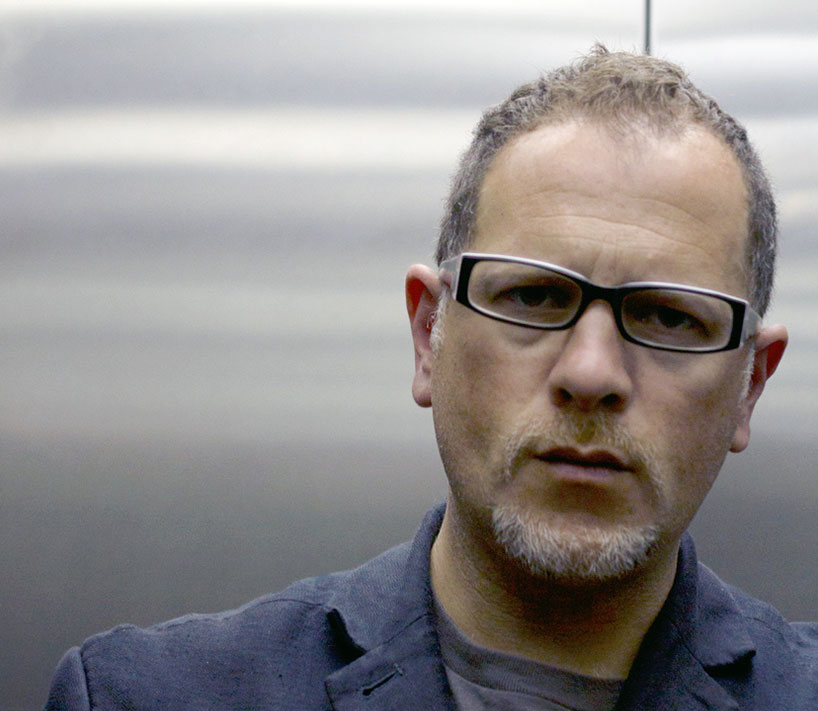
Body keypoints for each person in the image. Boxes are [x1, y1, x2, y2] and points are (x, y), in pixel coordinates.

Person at [45, 46, 817, 710]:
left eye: (669, 317)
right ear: (428, 336)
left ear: (750, 384)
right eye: (533, 297)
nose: (590, 373)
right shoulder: (141, 694)